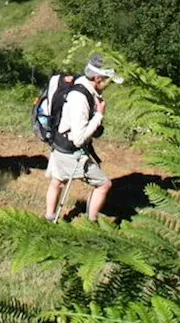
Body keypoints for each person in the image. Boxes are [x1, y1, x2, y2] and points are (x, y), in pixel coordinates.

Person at [44, 54, 123, 223]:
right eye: (108, 80)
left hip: (60, 143)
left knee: (57, 182)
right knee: (104, 185)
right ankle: (91, 222)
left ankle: (50, 217)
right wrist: (99, 115)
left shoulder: (82, 84)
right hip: (71, 150)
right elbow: (79, 139)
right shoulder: (79, 98)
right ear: (98, 78)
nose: (109, 84)